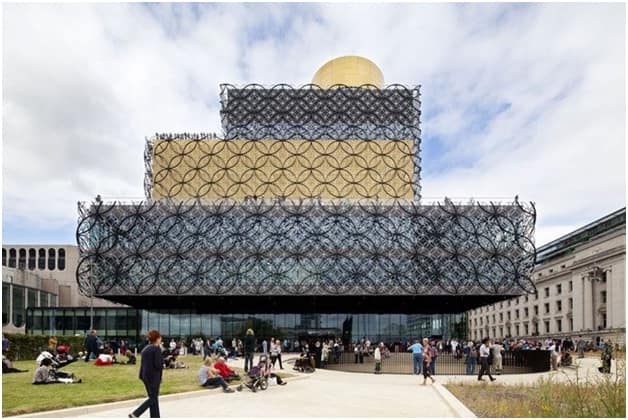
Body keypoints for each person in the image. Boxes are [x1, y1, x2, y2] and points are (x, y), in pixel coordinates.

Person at [129, 330, 164, 418]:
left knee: (153, 398)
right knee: (153, 398)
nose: (160, 339)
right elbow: (158, 365)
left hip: (145, 376)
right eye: (159, 337)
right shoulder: (156, 349)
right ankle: (136, 413)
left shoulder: (145, 349)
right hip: (154, 377)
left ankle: (155, 417)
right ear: (157, 339)